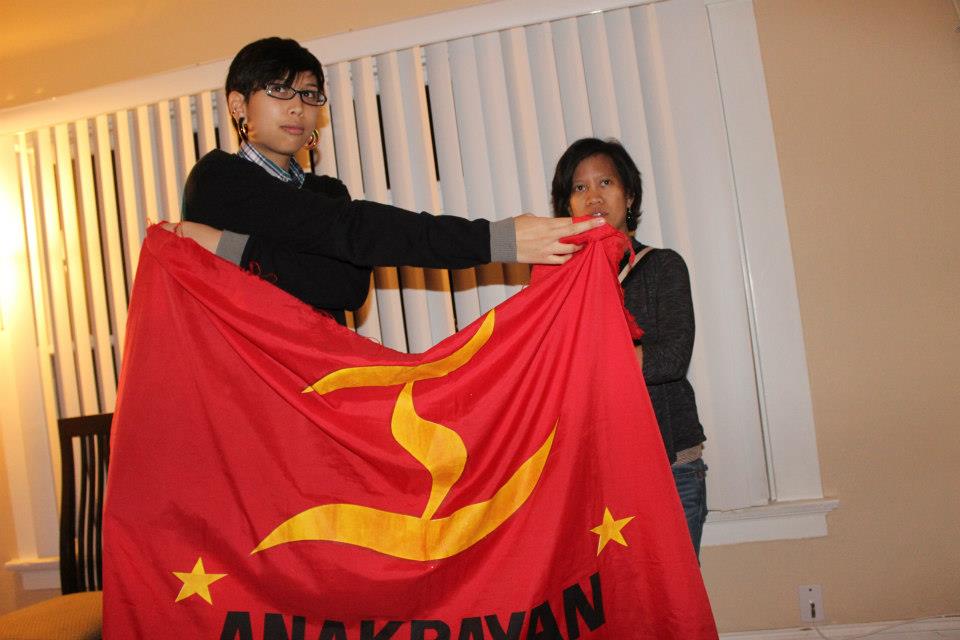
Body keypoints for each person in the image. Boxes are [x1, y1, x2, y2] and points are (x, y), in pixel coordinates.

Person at [173, 37, 601, 322]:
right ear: (238, 105)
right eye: (278, 90)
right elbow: (349, 233)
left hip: (317, 384)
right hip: (244, 393)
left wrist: (231, 248)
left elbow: (344, 289)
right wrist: (496, 239)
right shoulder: (218, 178)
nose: (297, 107)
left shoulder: (327, 192)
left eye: (309, 93)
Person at [552, 137, 709, 557]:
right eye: (580, 187)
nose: (594, 196)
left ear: (629, 195)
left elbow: (671, 359)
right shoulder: (558, 282)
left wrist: (592, 357)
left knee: (672, 595)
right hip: (594, 475)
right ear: (567, 205)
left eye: (605, 182)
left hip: (669, 467)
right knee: (614, 599)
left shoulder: (662, 265)